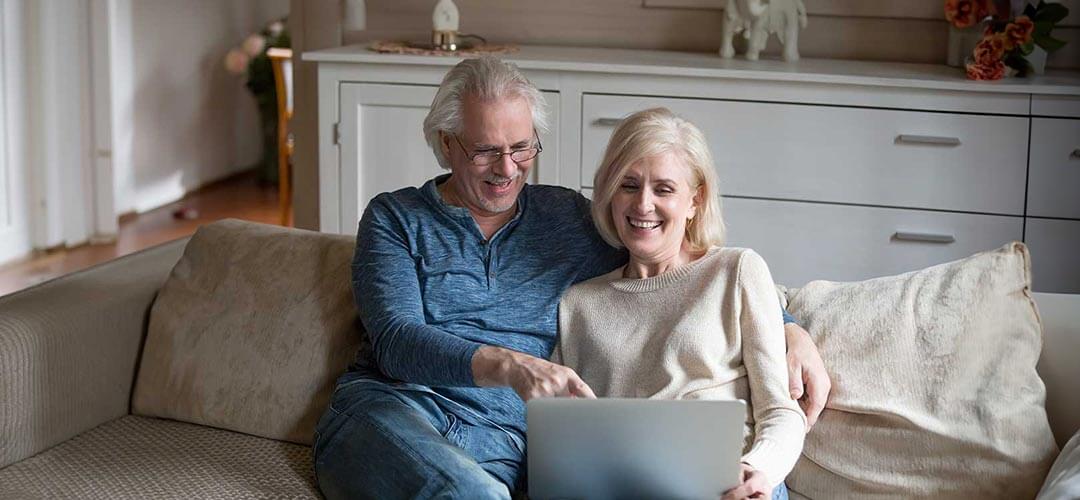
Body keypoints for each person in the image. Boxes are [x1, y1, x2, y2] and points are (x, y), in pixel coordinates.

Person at [312, 56, 830, 499]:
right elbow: (397, 342)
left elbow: (667, 262)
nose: (507, 168)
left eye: (522, 148)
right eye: (485, 150)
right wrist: (511, 368)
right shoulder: (395, 218)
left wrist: (787, 325)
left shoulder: (568, 219)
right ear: (446, 143)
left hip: (503, 439)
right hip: (396, 412)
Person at [554, 108, 803, 500]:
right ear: (608, 192)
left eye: (664, 189)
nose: (643, 205)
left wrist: (760, 470)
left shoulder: (736, 271)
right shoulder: (577, 304)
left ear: (694, 200)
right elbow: (562, 435)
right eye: (629, 185)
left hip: (729, 487)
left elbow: (782, 411)